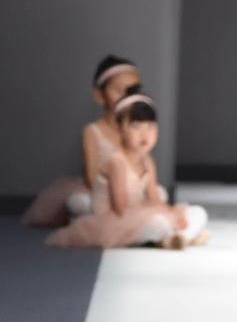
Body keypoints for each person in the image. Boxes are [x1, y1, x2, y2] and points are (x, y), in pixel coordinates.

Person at [45, 91, 209, 249]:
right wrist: (162, 214)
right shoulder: (116, 161)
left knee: (197, 212)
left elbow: (153, 198)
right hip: (115, 221)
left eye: (150, 127)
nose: (144, 134)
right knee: (158, 224)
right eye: (136, 126)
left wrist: (173, 212)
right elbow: (120, 209)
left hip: (139, 213)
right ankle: (181, 236)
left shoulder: (147, 160)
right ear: (120, 129)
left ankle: (180, 237)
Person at [21, 55, 147, 228]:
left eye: (132, 91)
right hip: (100, 190)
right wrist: (114, 189)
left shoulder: (136, 131)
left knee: (159, 194)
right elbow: (91, 176)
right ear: (99, 95)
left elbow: (142, 166)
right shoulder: (92, 131)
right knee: (80, 202)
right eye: (119, 90)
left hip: (129, 188)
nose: (126, 97)